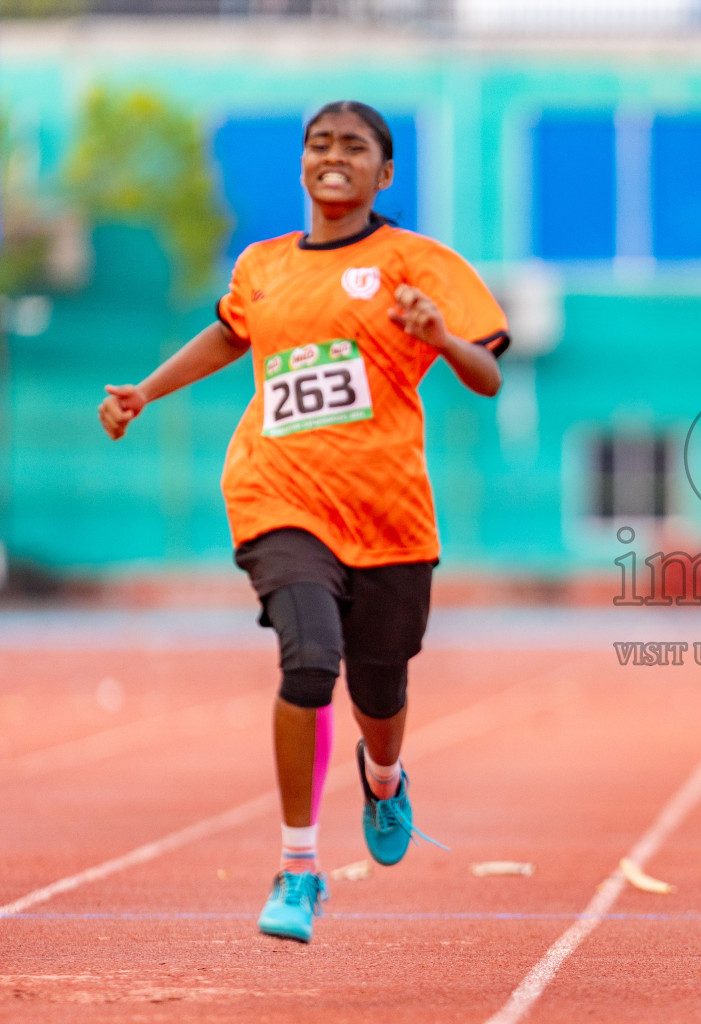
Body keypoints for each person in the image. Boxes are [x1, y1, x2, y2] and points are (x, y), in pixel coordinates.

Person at [97, 100, 510, 943]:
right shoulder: (263, 265)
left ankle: (385, 776)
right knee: (309, 661)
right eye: (320, 144)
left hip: (389, 513)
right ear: (302, 164)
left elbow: (487, 374)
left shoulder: (417, 262)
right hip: (278, 494)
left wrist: (440, 335)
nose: (334, 157)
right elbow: (227, 337)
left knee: (379, 686)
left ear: (383, 174)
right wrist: (144, 390)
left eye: (354, 147)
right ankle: (297, 866)